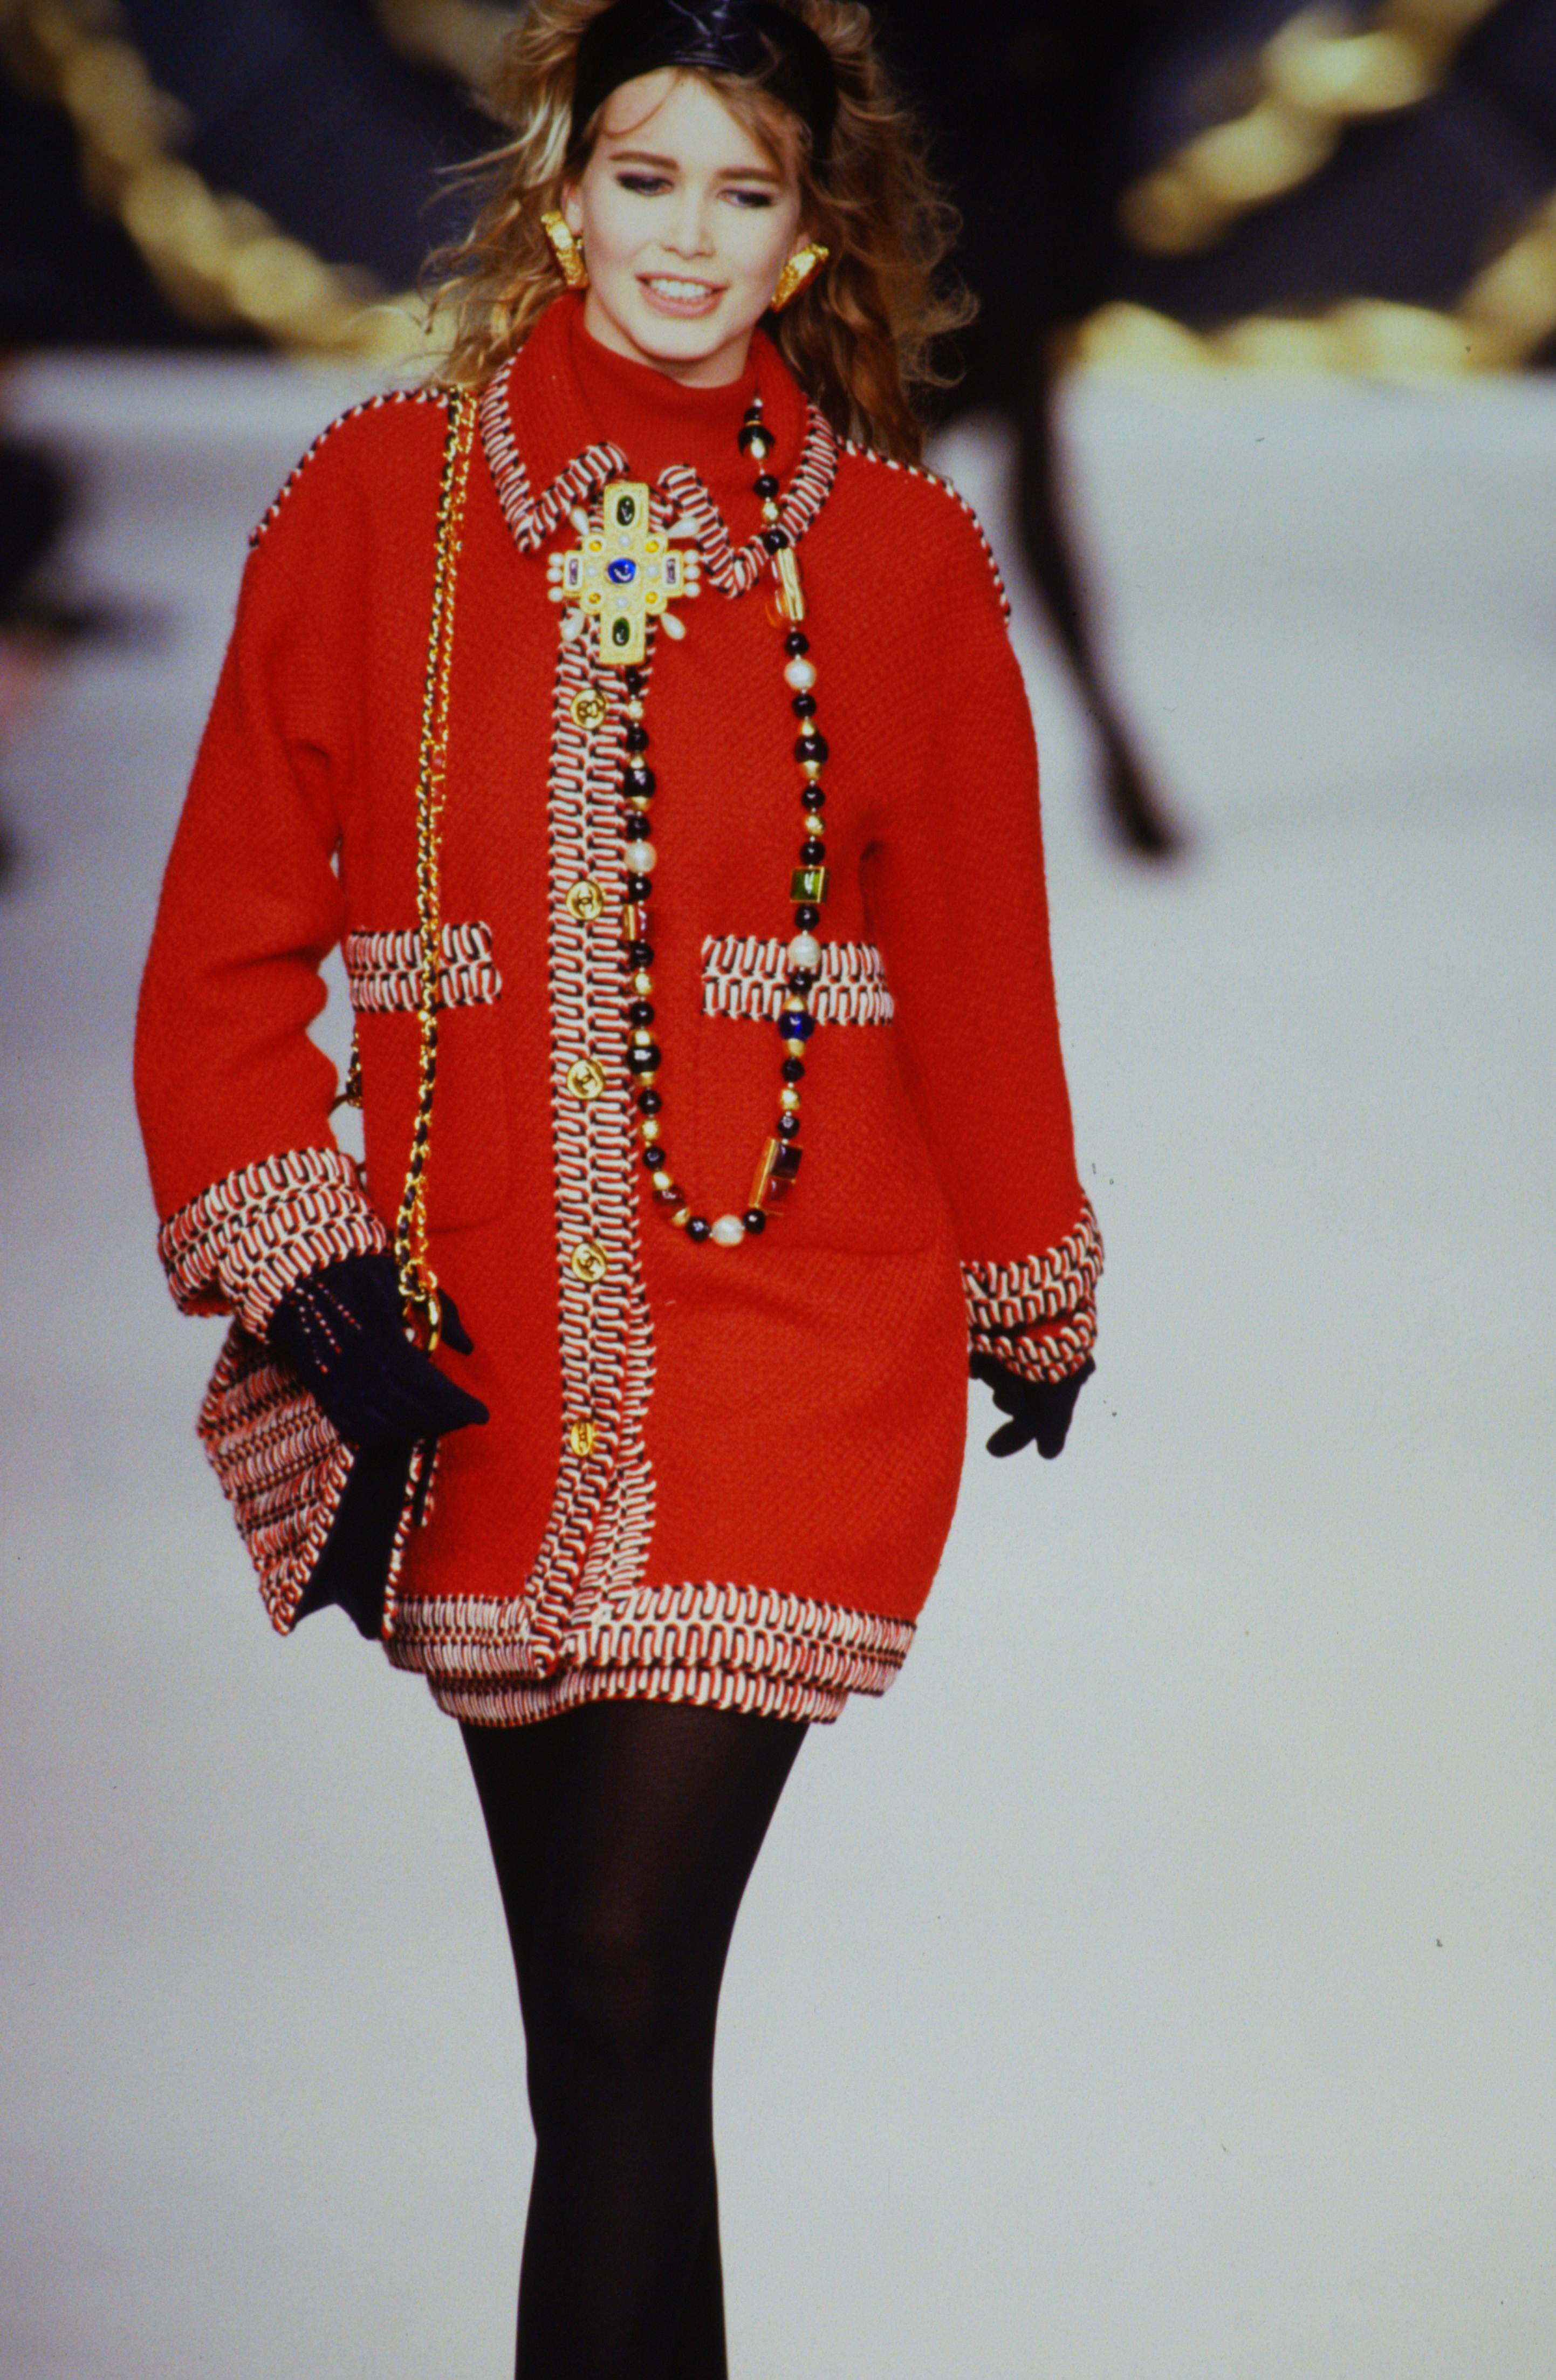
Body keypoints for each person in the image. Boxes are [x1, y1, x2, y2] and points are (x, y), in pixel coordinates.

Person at [134, 2, 1101, 2371]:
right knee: (599, 2045)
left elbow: (978, 968)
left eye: (742, 192)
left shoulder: (897, 559)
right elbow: (225, 941)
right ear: (563, 192)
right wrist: (303, 1256)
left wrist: (1028, 1281)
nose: (687, 238)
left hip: (801, 1331)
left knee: (623, 1965)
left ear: (807, 237)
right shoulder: (376, 503)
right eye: (646, 179)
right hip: (470, 1350)